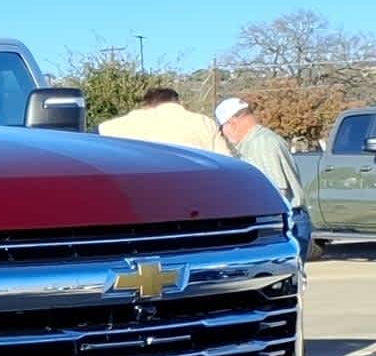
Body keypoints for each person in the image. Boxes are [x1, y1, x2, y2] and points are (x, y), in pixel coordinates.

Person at [215, 96, 312, 261]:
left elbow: (274, 191)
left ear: (232, 124)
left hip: (282, 224)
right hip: (284, 221)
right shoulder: (259, 141)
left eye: (222, 128)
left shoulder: (260, 144)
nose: (223, 134)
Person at [98, 87, 231, 154]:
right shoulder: (205, 123)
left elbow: (98, 134)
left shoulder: (129, 122)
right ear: (179, 102)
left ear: (148, 104)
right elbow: (227, 161)